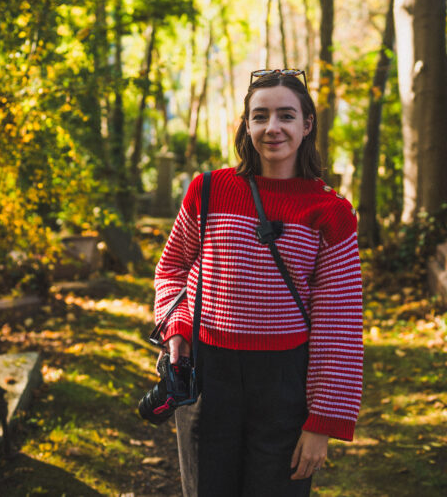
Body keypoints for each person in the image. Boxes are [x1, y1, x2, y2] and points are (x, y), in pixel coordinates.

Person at [152, 69, 364, 496]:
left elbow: (339, 322)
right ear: (246, 126)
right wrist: (175, 329)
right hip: (209, 377)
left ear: (307, 125)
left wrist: (322, 423)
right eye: (260, 116)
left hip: (285, 384)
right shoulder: (208, 190)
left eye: (286, 116)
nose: (272, 128)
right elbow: (172, 267)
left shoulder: (332, 211)